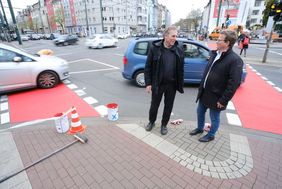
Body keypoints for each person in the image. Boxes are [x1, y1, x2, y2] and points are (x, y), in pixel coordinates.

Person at [189, 30, 243, 142]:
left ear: (228, 43)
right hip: (205, 92)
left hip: (217, 96)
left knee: (214, 117)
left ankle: (211, 134)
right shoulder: (215, 54)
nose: (216, 41)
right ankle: (200, 128)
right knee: (200, 112)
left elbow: (233, 84)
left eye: (219, 40)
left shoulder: (235, 60)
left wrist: (223, 100)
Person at [144, 26, 184, 135]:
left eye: (176, 36)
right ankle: (151, 122)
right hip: (158, 83)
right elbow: (148, 67)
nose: (175, 38)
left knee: (168, 106)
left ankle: (164, 125)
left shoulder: (179, 49)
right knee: (154, 105)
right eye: (173, 36)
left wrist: (180, 83)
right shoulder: (155, 48)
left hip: (172, 85)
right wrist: (148, 83)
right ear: (166, 36)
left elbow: (181, 68)